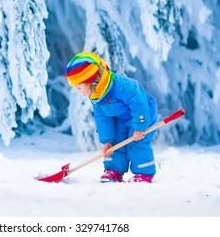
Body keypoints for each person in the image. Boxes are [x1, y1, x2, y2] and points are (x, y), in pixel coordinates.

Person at [65, 52, 158, 183]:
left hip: (143, 113)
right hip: (122, 118)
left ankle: (144, 174)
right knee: (115, 145)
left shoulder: (122, 85)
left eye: (79, 87)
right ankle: (114, 171)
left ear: (90, 82)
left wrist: (140, 127)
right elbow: (102, 119)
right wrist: (107, 140)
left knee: (136, 143)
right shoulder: (96, 97)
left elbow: (138, 103)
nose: (78, 91)